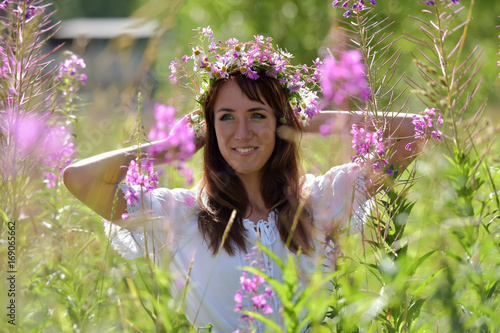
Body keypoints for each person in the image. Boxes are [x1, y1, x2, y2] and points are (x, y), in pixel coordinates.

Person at [63, 32, 420, 332]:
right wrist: (168, 149)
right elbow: (78, 178)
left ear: (280, 121)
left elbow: (417, 133)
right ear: (210, 127)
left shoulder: (321, 199)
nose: (242, 132)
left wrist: (306, 119)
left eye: (257, 115)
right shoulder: (179, 215)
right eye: (227, 117)